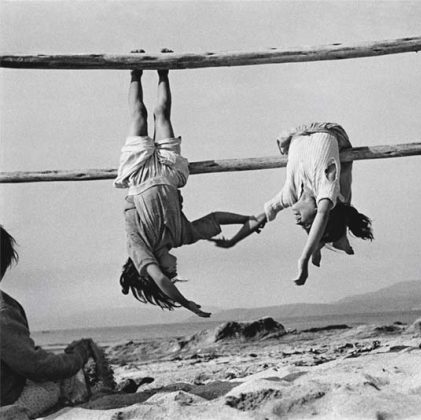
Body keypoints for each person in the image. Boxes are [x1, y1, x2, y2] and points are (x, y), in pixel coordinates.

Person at [115, 52, 264, 318]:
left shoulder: (139, 249)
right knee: (162, 116)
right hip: (169, 173)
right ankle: (163, 71)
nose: (174, 269)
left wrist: (186, 304)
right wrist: (246, 218)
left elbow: (159, 281)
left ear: (154, 268)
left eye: (170, 271)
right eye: (174, 273)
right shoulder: (182, 236)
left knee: (139, 115)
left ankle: (135, 72)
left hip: (138, 174)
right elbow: (215, 218)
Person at [216, 122, 373, 285]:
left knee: (336, 208)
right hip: (328, 130)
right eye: (306, 224)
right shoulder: (325, 190)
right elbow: (323, 214)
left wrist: (232, 241)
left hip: (297, 135)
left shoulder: (289, 195)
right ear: (316, 211)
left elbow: (259, 218)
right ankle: (323, 244)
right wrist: (304, 260)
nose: (298, 222)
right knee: (342, 195)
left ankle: (319, 245)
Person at [0, 226, 95, 418]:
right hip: (6, 397)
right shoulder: (4, 311)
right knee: (48, 388)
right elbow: (35, 365)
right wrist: (77, 358)